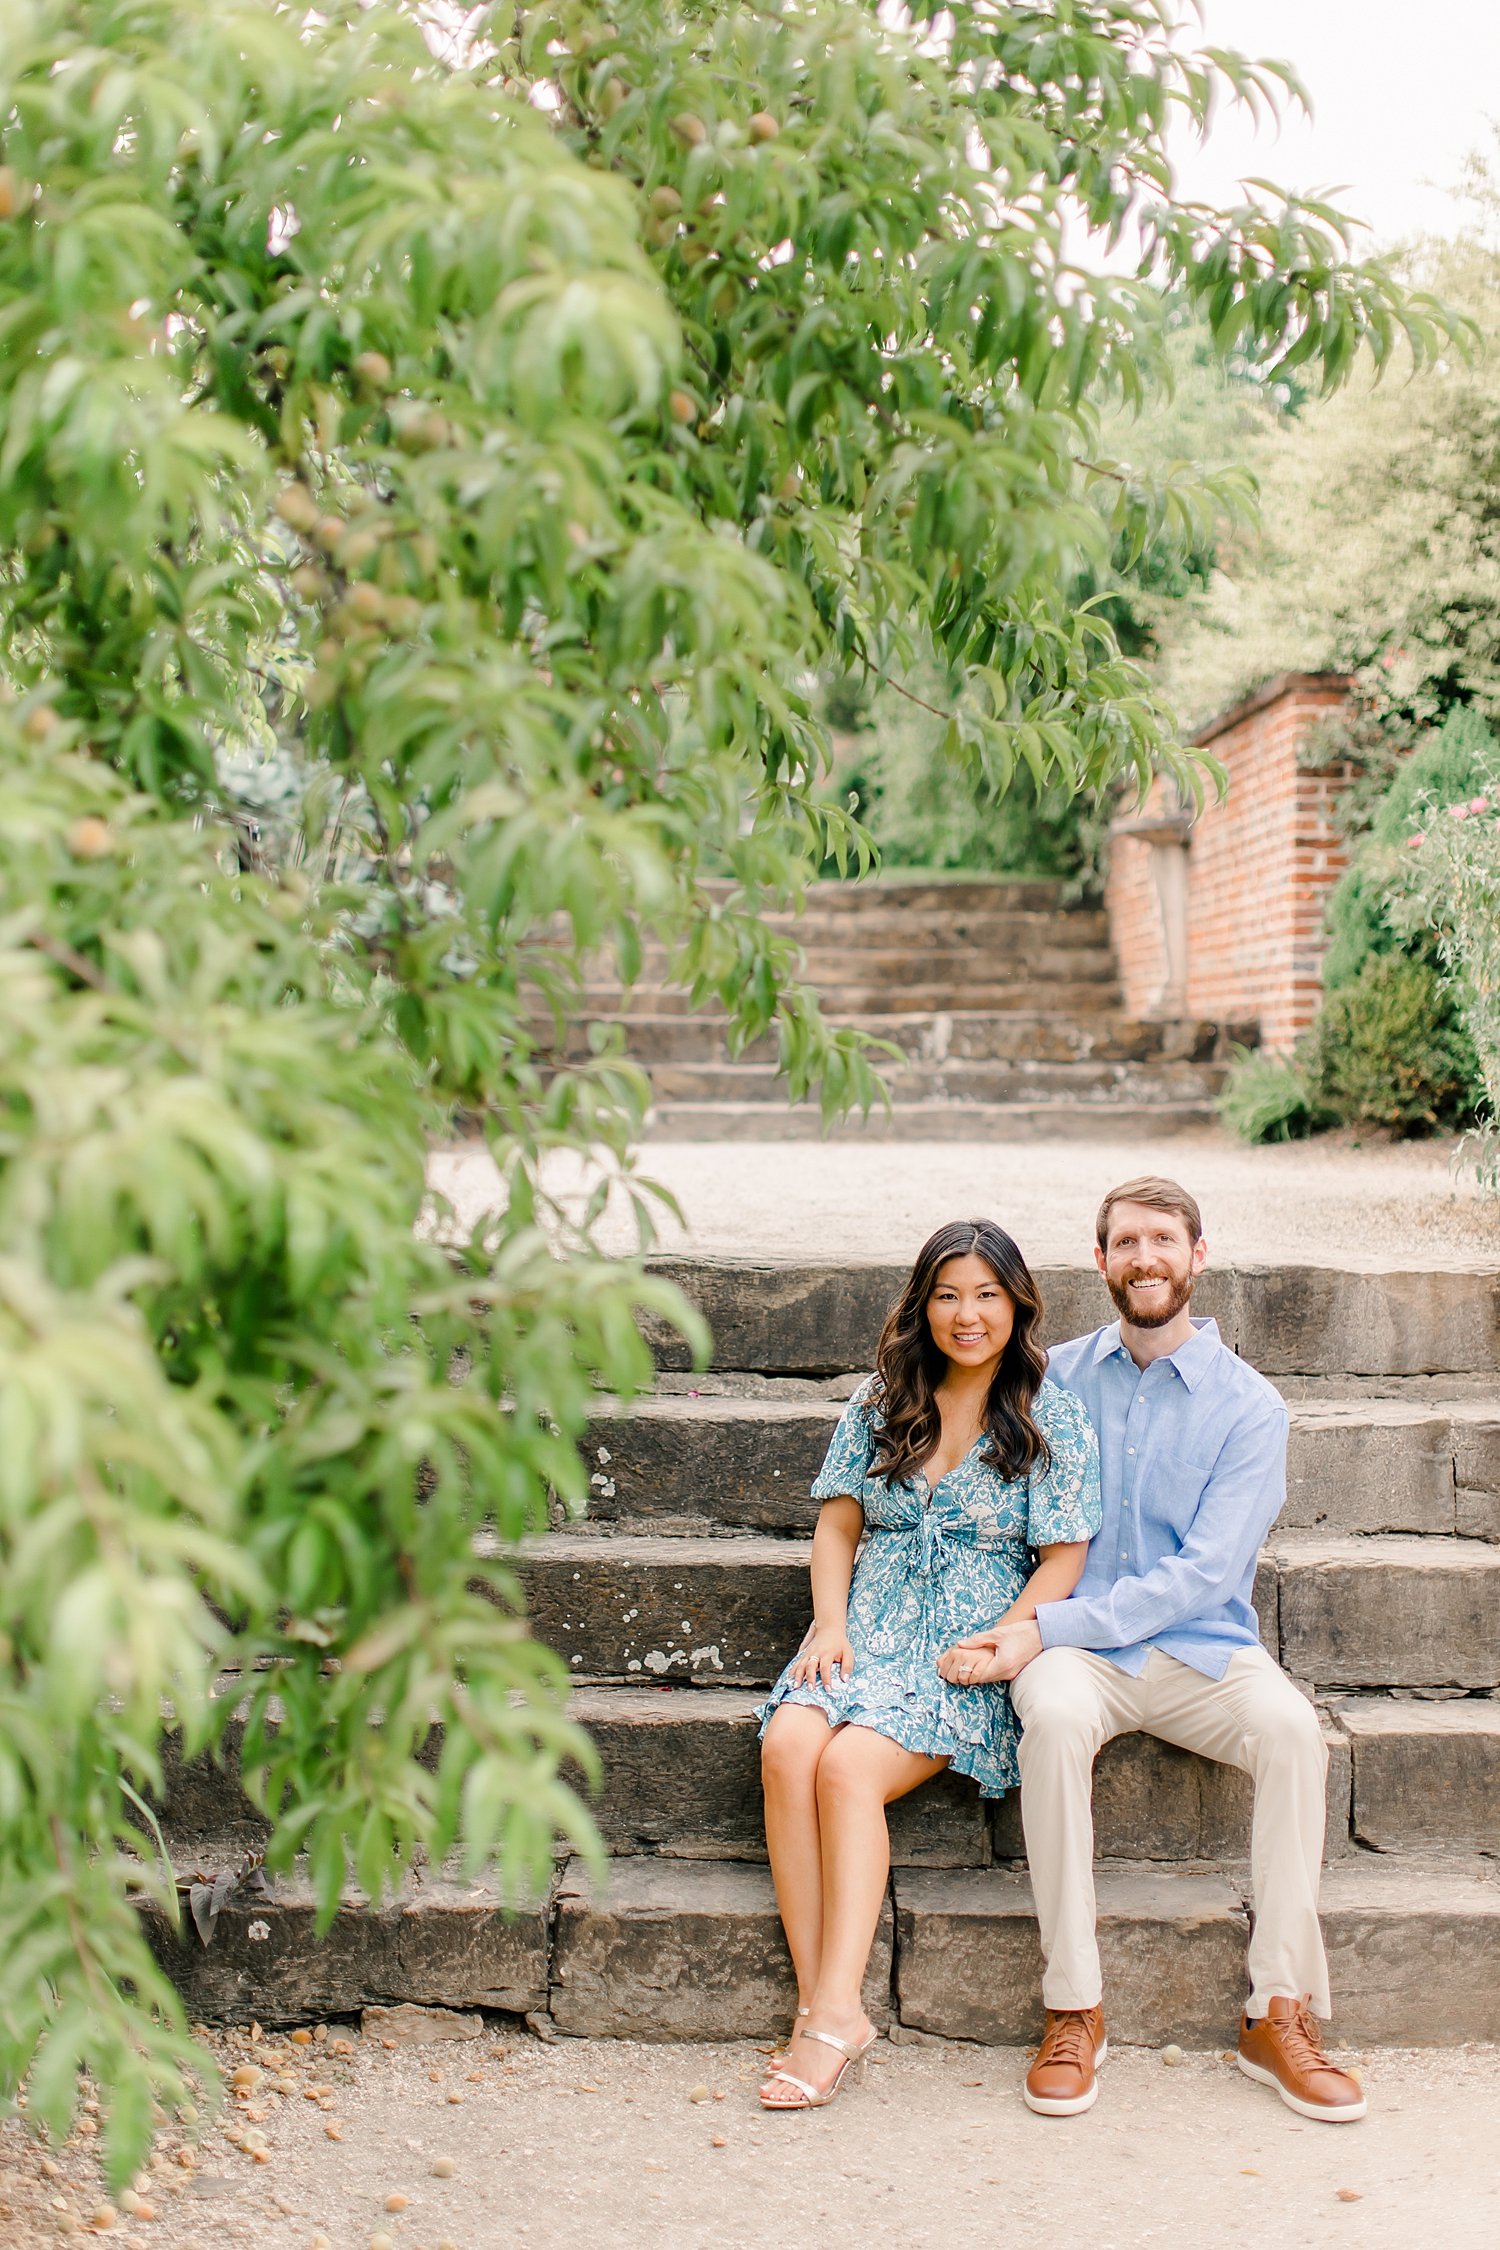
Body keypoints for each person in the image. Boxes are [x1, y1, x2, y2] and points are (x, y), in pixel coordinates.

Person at [943, 1176, 1367, 2125]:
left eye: (1162, 1241)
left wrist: (1038, 1629)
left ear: (1197, 1256)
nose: (1144, 1259)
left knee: (1296, 1734)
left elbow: (1206, 1576)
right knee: (1047, 1716)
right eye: (1125, 1243)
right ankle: (1073, 2006)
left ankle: (1278, 2012)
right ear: (1100, 1262)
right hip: (1081, 1660)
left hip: (1199, 1650)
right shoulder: (1054, 1377)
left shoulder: (1250, 1407)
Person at [756, 1218, 1101, 2112]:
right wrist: (828, 1626)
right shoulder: (884, 1399)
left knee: (846, 1767)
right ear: (924, 1304)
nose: (966, 1313)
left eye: (986, 1294)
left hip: (962, 1652)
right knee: (789, 1746)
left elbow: (1065, 1556)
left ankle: (834, 2016)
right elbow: (838, 1524)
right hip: (862, 1632)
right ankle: (822, 2006)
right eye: (948, 1294)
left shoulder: (1049, 1414)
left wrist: (1009, 1636)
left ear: (1016, 1303)